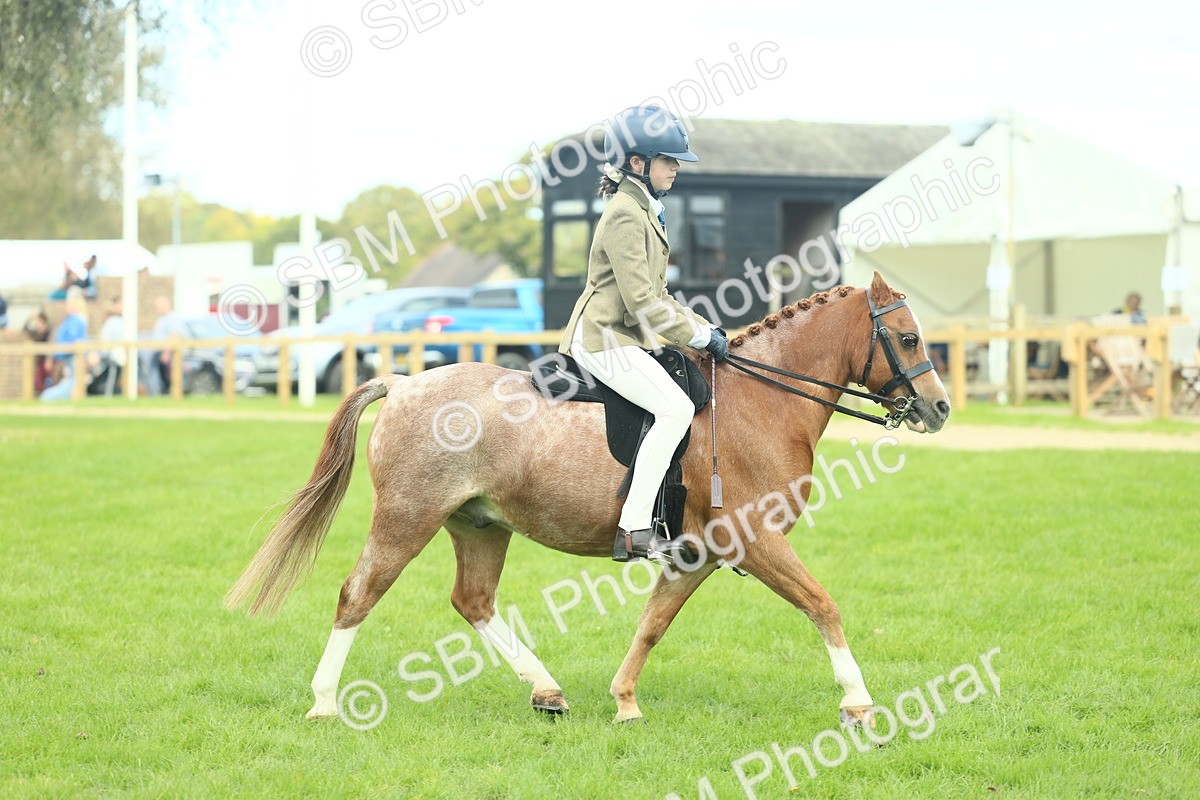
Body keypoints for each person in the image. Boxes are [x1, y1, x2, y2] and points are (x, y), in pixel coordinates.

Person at [558, 105, 727, 565]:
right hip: (603, 337)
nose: (676, 168)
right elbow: (642, 304)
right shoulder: (625, 215)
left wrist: (704, 328)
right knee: (674, 409)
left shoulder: (645, 209)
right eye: (669, 160)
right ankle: (634, 530)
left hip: (625, 336)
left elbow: (662, 294)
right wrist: (697, 337)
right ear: (638, 164)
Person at [40, 287, 90, 401]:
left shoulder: (76, 320)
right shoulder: (73, 320)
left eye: (68, 303)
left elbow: (73, 342)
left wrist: (57, 354)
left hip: (74, 359)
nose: (65, 306)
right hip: (69, 361)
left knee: (47, 397)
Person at [23, 309, 53, 394]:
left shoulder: (49, 333)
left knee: (48, 381)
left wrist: (49, 359)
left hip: (47, 362)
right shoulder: (36, 334)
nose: (38, 325)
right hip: (39, 362)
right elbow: (25, 329)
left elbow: (51, 346)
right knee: (38, 383)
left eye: (40, 323)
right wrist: (29, 319)